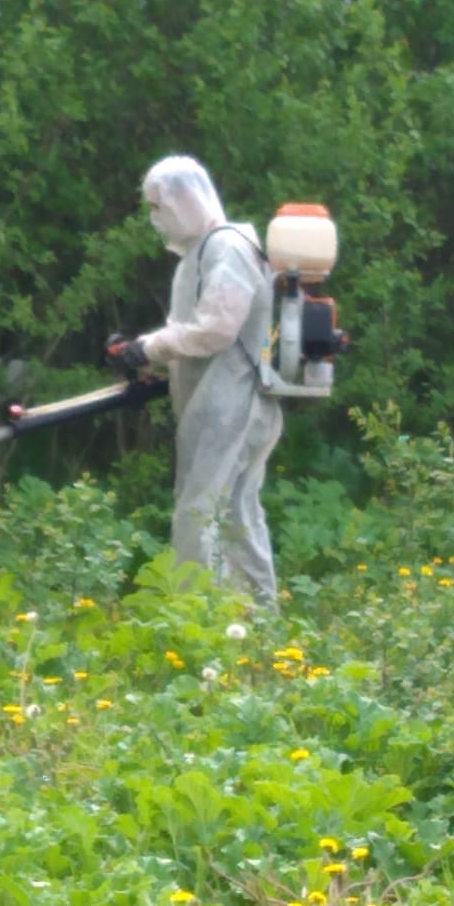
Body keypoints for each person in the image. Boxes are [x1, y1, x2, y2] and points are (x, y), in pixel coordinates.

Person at [107, 155, 282, 603]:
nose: (154, 219)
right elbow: (194, 339)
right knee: (235, 516)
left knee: (199, 515)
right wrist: (146, 356)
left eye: (158, 207)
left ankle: (198, 621)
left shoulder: (227, 247)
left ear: (186, 199)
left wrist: (149, 347)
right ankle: (256, 624)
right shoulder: (199, 256)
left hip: (234, 407)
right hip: (216, 406)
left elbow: (216, 331)